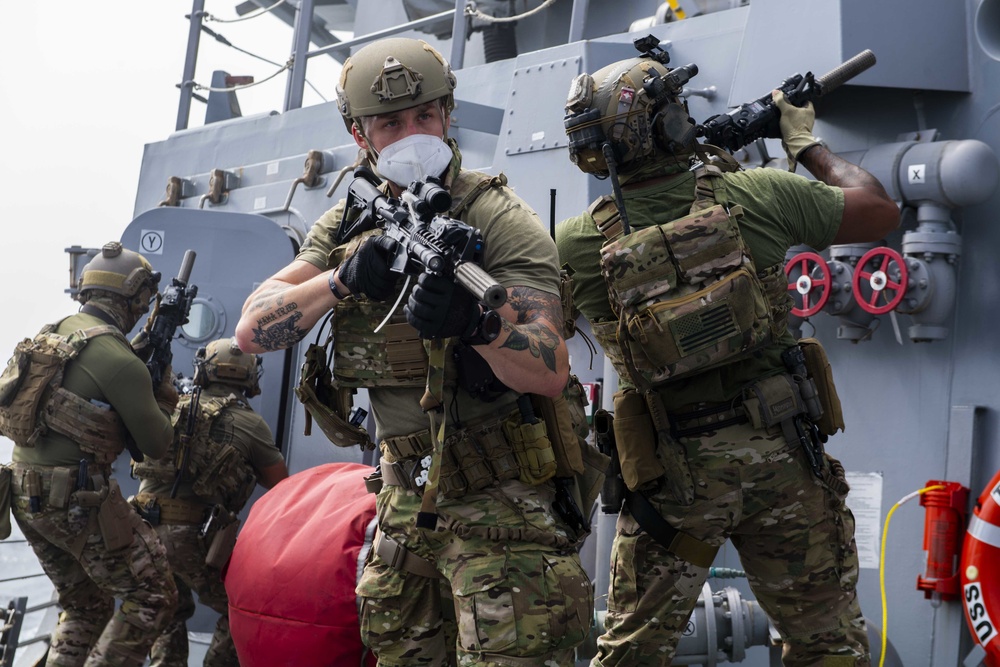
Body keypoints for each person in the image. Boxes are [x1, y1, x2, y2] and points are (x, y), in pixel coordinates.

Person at [234, 37, 593, 666]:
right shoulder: (350, 221)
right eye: (391, 123)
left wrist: (477, 327)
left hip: (501, 501)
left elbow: (550, 367)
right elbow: (254, 329)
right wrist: (342, 278)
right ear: (358, 134)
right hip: (403, 505)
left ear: (448, 114)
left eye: (425, 115)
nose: (413, 133)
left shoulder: (499, 217)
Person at [556, 45, 900, 667]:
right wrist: (803, 145)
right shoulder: (760, 195)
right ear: (669, 125)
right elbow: (877, 210)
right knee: (826, 645)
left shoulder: (577, 244)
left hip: (670, 478)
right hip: (783, 460)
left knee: (633, 651)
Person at [0, 241, 179, 667]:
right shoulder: (123, 363)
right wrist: (164, 392)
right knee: (153, 597)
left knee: (86, 605)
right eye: (142, 300)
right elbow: (157, 447)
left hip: (22, 496)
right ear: (132, 299)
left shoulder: (54, 332)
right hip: (75, 501)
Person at [131, 337, 289, 667]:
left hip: (140, 529)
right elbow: (281, 485)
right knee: (241, 609)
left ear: (204, 370)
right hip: (196, 536)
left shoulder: (174, 407)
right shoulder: (251, 424)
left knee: (168, 607)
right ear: (250, 377)